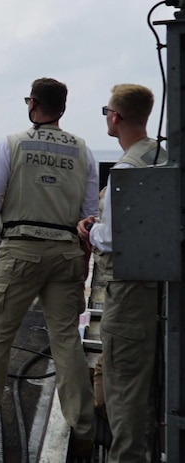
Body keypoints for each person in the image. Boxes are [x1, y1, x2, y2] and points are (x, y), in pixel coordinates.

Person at [0, 78, 97, 458]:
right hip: (66, 253)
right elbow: (89, 214)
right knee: (66, 341)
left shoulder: (12, 143)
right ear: (63, 108)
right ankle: (84, 429)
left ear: (33, 103)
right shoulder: (83, 151)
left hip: (19, 251)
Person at [77, 84, 166, 463]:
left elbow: (111, 239)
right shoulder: (162, 157)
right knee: (155, 384)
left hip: (128, 292)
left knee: (124, 386)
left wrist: (90, 229)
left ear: (115, 116)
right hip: (160, 288)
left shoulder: (126, 171)